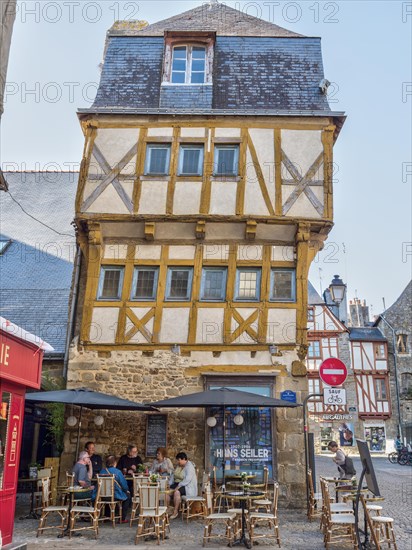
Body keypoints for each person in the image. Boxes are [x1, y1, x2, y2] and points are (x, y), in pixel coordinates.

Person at [99, 455, 131, 523]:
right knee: (127, 496)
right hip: (115, 496)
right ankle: (122, 518)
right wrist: (126, 490)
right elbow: (124, 485)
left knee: (108, 494)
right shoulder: (117, 472)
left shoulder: (102, 471)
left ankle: (107, 517)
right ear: (114, 463)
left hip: (102, 496)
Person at [169, 452, 197, 520]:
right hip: (180, 484)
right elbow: (173, 475)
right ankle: (167, 509)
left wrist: (179, 486)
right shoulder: (179, 466)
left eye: (179, 460)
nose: (178, 462)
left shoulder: (190, 467)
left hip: (188, 487)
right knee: (168, 491)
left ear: (184, 459)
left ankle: (175, 511)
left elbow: (187, 479)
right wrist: (169, 484)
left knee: (177, 492)